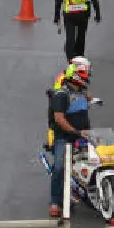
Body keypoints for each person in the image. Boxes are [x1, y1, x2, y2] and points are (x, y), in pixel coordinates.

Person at [47, 67, 92, 217]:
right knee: (60, 167)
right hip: (64, 138)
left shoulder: (80, 93)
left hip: (83, 136)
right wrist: (75, 131)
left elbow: (86, 101)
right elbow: (59, 119)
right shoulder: (61, 95)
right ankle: (55, 202)